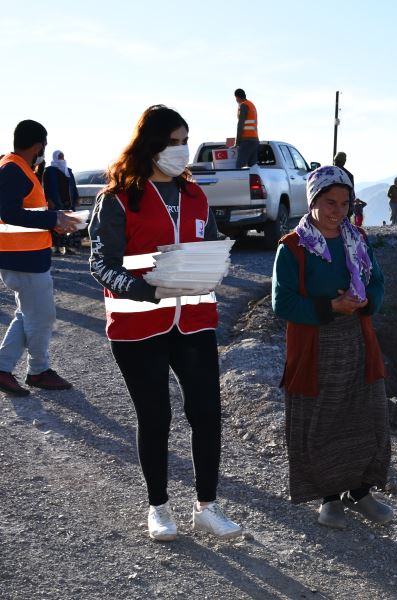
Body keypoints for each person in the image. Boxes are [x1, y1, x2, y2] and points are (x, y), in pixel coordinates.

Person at [87, 105, 242, 542]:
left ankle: (207, 508)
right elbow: (101, 264)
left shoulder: (195, 196)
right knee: (156, 416)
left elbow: (211, 245)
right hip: (139, 326)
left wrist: (218, 264)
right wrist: (143, 290)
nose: (181, 150)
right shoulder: (117, 199)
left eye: (184, 141)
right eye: (173, 142)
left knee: (207, 413)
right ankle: (158, 508)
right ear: (150, 144)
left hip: (194, 320)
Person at [272, 165, 392, 530]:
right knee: (322, 420)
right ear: (312, 201)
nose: (337, 210)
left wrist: (365, 302)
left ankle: (359, 491)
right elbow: (282, 302)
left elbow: (379, 283)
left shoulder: (357, 238)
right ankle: (327, 497)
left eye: (344, 203)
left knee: (363, 413)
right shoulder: (293, 247)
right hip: (314, 346)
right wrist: (330, 307)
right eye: (329, 202)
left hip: (357, 340)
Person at [0, 120, 79, 397]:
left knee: (28, 314)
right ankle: (38, 371)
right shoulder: (14, 170)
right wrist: (52, 218)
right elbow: (8, 213)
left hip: (23, 256)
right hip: (22, 258)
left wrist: (53, 222)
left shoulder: (14, 167)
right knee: (42, 316)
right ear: (38, 146)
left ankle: (4, 367)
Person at [42, 150, 80, 255]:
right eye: (60, 157)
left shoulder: (68, 170)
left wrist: (76, 198)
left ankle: (69, 248)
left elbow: (73, 186)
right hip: (56, 201)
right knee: (57, 225)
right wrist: (48, 199)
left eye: (62, 156)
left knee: (69, 225)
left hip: (69, 201)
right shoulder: (49, 171)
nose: (62, 158)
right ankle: (56, 248)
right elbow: (46, 187)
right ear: (55, 157)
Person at [232, 88, 258, 168]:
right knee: (253, 168)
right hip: (255, 140)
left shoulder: (244, 105)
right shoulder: (251, 105)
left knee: (239, 167)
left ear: (237, 97)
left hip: (246, 140)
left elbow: (240, 124)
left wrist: (237, 142)